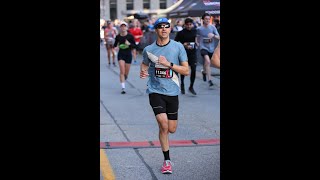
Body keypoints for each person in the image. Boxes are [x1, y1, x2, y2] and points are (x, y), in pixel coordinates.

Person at [140, 17, 189, 174]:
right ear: (155, 30)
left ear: (170, 29)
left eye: (166, 26)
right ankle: (167, 161)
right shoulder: (148, 49)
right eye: (160, 27)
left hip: (172, 92)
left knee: (172, 128)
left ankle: (166, 142)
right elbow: (144, 64)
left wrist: (169, 64)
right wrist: (143, 71)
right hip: (155, 91)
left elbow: (186, 70)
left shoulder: (178, 47)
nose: (163, 29)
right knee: (163, 124)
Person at [175, 18, 198, 95]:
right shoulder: (181, 33)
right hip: (183, 53)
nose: (189, 26)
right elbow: (175, 43)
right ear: (184, 25)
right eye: (187, 25)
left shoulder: (195, 31)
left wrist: (197, 43)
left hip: (193, 53)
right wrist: (183, 44)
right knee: (184, 70)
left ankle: (191, 87)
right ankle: (182, 84)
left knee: (194, 69)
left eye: (190, 24)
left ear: (192, 24)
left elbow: (197, 40)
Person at [196, 13, 220, 87]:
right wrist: (197, 43)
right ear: (203, 20)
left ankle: (204, 71)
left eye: (209, 19)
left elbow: (218, 37)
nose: (207, 20)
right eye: (206, 19)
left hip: (211, 48)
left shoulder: (212, 27)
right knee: (208, 61)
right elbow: (196, 36)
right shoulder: (199, 29)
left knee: (207, 63)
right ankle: (210, 80)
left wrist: (213, 35)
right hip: (203, 48)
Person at [113, 21, 136, 94]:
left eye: (124, 26)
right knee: (122, 71)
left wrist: (129, 44)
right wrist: (116, 47)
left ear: (127, 27)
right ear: (120, 28)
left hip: (128, 55)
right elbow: (115, 45)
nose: (123, 27)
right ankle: (123, 88)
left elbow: (135, 46)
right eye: (122, 26)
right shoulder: (118, 36)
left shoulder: (130, 36)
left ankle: (125, 77)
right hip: (121, 54)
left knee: (126, 73)